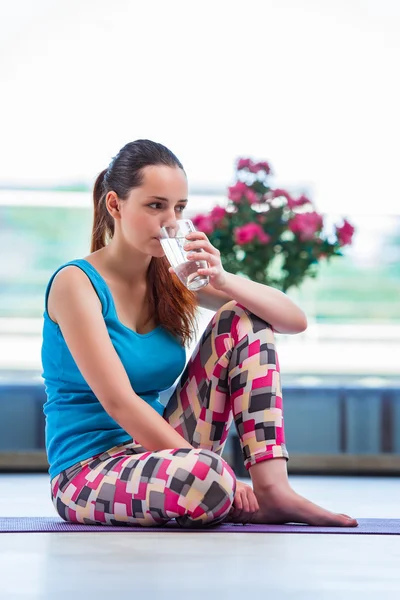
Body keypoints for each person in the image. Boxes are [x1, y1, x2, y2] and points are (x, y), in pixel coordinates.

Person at [41, 139, 358, 528]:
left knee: (244, 318)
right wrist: (206, 464)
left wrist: (222, 279)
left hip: (161, 452)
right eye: (155, 206)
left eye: (179, 208)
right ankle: (220, 484)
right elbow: (119, 402)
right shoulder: (76, 284)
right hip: (88, 473)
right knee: (208, 477)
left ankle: (274, 490)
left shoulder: (175, 276)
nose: (170, 221)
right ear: (114, 205)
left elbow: (293, 321)